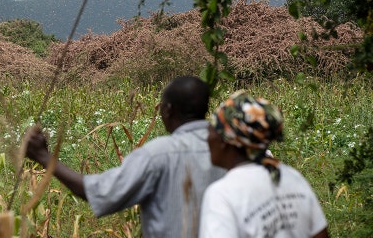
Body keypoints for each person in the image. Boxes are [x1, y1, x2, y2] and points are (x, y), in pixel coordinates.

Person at [26, 76, 226, 237]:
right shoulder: (231, 149)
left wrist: (44, 157)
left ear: (167, 110)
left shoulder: (158, 153)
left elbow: (101, 192)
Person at [199, 91, 329, 238]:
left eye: (211, 131)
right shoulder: (292, 176)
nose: (207, 139)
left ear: (225, 141)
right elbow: (321, 234)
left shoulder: (222, 194)